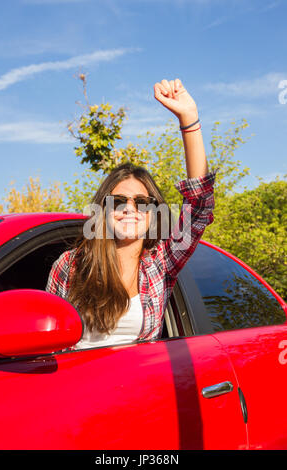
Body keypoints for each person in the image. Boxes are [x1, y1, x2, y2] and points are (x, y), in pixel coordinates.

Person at [46, 78, 217, 349]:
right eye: (119, 201)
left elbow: (199, 206)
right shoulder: (70, 265)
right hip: (76, 389)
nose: (129, 208)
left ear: (153, 213)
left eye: (141, 201)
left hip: (139, 388)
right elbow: (48, 346)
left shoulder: (160, 263)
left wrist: (189, 119)